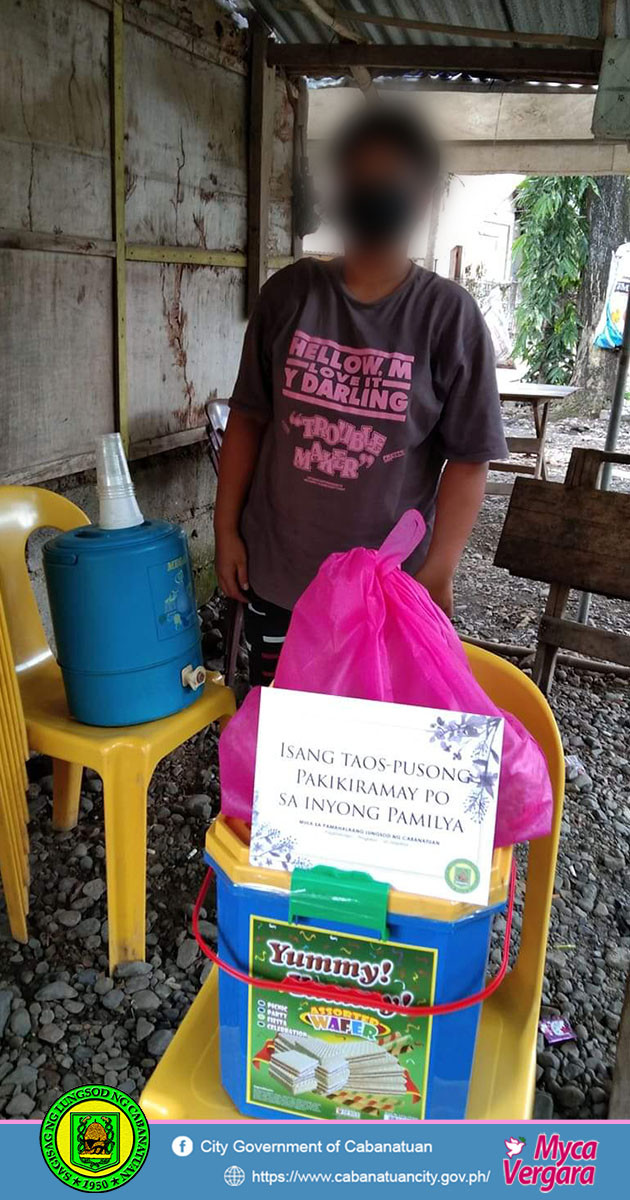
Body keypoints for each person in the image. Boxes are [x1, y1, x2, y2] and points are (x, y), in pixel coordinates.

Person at [214, 104, 507, 685]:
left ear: (423, 195)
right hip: (281, 576)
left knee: (365, 750)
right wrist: (226, 530)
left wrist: (439, 570)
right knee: (287, 740)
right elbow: (247, 421)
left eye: (391, 181)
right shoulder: (289, 295)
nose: (375, 194)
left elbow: (469, 460)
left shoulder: (449, 318)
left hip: (387, 591)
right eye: (361, 178)